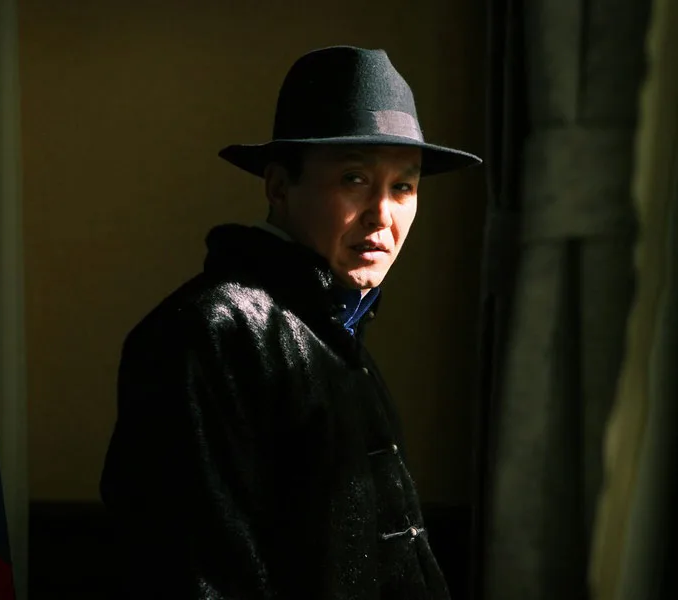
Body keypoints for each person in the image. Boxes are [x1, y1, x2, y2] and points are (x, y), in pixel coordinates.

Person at [100, 45, 482, 599]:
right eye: (354, 178)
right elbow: (193, 569)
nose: (382, 214)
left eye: (403, 186)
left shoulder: (334, 326)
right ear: (279, 187)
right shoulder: (211, 332)